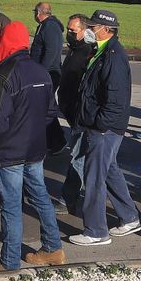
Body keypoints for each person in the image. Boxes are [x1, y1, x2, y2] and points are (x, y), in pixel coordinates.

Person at [0, 21, 65, 272]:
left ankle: (9, 261)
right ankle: (52, 247)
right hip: (35, 148)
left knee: (11, 205)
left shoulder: (4, 73)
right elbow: (50, 113)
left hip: (10, 150)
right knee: (40, 197)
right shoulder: (41, 71)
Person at [66, 9, 141, 246]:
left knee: (94, 178)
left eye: (93, 27)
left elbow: (115, 98)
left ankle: (96, 230)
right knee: (109, 171)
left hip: (104, 128)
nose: (89, 30)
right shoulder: (101, 51)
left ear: (105, 29)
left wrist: (100, 125)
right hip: (101, 125)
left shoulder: (113, 56)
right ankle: (130, 217)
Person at [56, 13, 95, 210]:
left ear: (85, 30)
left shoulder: (87, 53)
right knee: (82, 157)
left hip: (81, 115)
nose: (69, 33)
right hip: (71, 113)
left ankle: (68, 198)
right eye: (68, 29)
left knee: (78, 157)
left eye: (74, 31)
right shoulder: (74, 49)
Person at [30, 2, 65, 88]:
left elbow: (51, 51)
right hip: (43, 71)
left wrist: (42, 72)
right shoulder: (44, 25)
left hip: (48, 73)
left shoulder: (50, 25)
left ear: (38, 13)